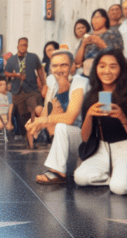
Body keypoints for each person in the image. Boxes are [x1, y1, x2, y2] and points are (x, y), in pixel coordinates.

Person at [73, 49, 127, 195]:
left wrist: (122, 117)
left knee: (119, 188)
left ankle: (126, 177)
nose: (107, 71)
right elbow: (84, 138)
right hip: (102, 150)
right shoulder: (92, 96)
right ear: (96, 69)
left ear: (121, 70)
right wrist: (89, 115)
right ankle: (118, 177)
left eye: (113, 66)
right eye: (102, 66)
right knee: (80, 178)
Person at [30, 49, 87, 184]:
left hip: (88, 138)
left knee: (61, 125)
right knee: (56, 123)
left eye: (64, 65)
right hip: (71, 141)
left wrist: (44, 119)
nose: (59, 69)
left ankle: (58, 172)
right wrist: (34, 124)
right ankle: (62, 166)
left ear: (73, 67)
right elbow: (45, 115)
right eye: (55, 66)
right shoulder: (53, 86)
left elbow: (70, 118)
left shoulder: (79, 81)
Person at [4, 38, 47, 138]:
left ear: (27, 46)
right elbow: (6, 73)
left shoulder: (33, 57)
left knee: (36, 108)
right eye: (21, 45)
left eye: (25, 45)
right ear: (17, 46)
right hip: (17, 91)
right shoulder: (11, 59)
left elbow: (40, 70)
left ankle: (43, 131)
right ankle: (25, 135)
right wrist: (16, 75)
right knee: (21, 113)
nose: (23, 47)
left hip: (32, 89)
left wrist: (44, 84)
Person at [75, 9, 123, 78]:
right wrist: (83, 45)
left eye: (97, 17)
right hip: (87, 74)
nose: (95, 20)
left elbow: (118, 55)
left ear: (105, 19)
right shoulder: (87, 37)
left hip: (106, 72)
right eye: (93, 18)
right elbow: (77, 62)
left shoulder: (113, 33)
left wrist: (101, 44)